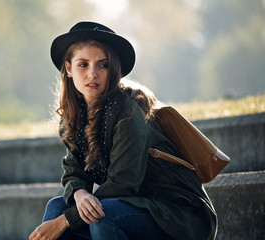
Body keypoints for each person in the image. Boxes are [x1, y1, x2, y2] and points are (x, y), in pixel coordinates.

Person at [29, 21, 217, 240]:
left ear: (114, 68)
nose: (93, 74)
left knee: (102, 215)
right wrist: (79, 193)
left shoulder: (128, 109)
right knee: (56, 206)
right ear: (69, 68)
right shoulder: (74, 115)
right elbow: (74, 169)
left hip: (178, 214)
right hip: (133, 205)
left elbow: (124, 183)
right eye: (83, 64)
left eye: (103, 64)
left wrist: (66, 220)